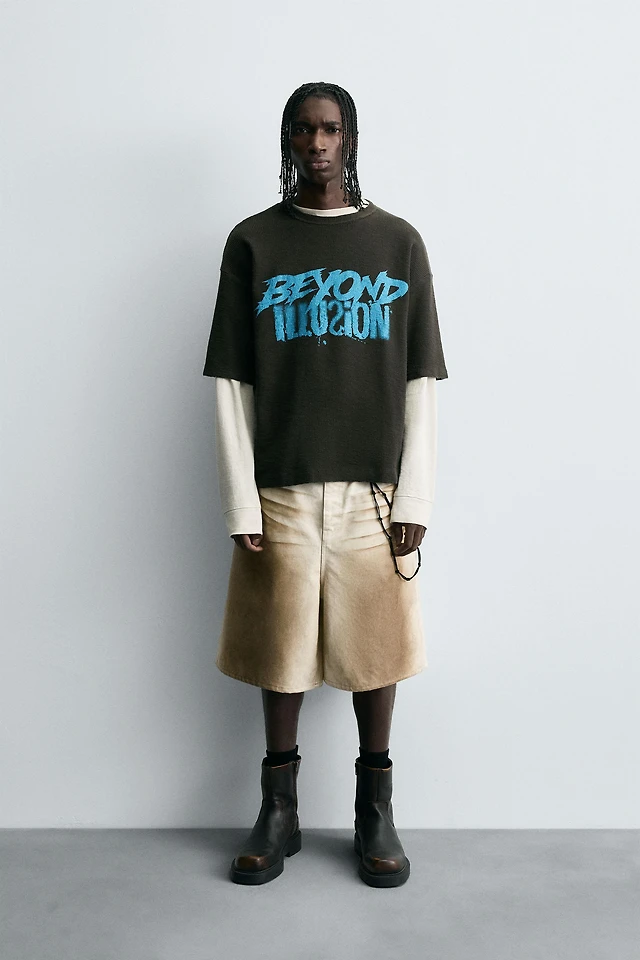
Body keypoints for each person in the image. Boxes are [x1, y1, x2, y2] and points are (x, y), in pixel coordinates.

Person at [202, 81, 448, 888]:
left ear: (350, 139)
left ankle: (375, 810)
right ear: (287, 139)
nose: (317, 143)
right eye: (303, 129)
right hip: (281, 486)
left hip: (373, 493)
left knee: (376, 652)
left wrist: (416, 495)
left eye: (330, 129)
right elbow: (231, 380)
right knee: (279, 653)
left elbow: (420, 378)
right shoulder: (254, 242)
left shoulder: (396, 243)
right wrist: (240, 497)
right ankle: (279, 811)